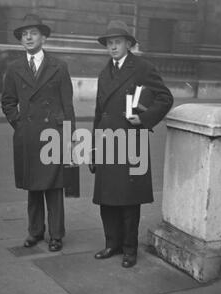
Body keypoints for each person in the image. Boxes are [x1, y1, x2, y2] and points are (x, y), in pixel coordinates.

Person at [90, 20, 174, 268]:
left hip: (130, 141)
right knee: (107, 198)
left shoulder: (142, 68)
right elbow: (97, 113)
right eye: (109, 43)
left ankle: (129, 249)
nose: (113, 47)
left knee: (128, 198)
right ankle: (111, 244)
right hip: (106, 142)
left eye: (117, 42)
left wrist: (145, 118)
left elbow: (165, 97)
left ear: (128, 44)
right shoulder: (104, 73)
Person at [2, 14, 76, 252]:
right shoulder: (14, 68)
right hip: (29, 134)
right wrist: (20, 123)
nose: (28, 38)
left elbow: (68, 104)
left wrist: (70, 136)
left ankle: (56, 235)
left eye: (33, 33)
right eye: (24, 34)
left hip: (53, 134)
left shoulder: (59, 66)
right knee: (33, 187)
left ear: (43, 37)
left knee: (54, 188)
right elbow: (8, 102)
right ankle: (35, 232)